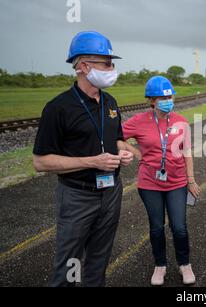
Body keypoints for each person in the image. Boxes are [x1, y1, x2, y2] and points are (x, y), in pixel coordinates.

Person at [32, 31, 134, 287]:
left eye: (112, 63)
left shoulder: (109, 101)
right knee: (69, 263)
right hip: (78, 196)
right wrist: (92, 162)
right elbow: (41, 162)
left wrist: (124, 151)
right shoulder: (58, 108)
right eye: (107, 63)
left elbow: (117, 138)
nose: (112, 69)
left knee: (99, 261)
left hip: (111, 191)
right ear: (84, 66)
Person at [121, 76, 200, 286]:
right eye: (162, 97)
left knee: (179, 227)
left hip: (177, 183)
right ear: (152, 100)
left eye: (169, 96)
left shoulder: (181, 122)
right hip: (149, 184)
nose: (167, 99)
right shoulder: (138, 121)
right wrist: (133, 150)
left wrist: (190, 180)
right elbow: (114, 137)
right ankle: (160, 265)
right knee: (156, 227)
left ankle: (185, 264)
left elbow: (187, 153)